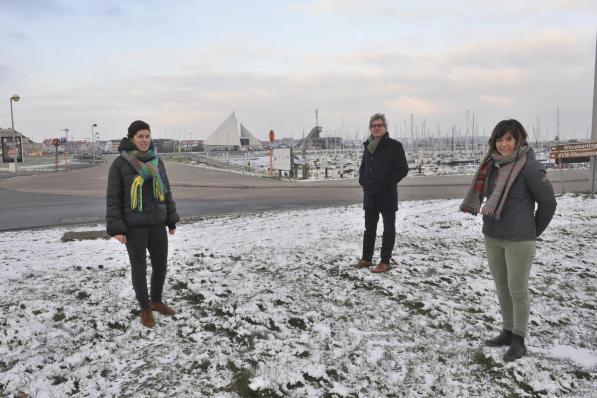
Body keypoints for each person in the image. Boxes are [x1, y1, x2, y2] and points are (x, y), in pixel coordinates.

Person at [460, 119, 556, 361]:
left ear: (519, 140)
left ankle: (519, 339)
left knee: (518, 290)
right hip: (492, 235)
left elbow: (548, 203)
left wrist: (532, 231)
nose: (504, 144)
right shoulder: (491, 166)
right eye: (500, 139)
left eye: (509, 139)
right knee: (502, 287)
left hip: (520, 240)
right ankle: (507, 330)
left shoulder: (530, 168)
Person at [106, 120, 180, 328]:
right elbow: (113, 198)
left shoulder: (157, 161)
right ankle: (145, 308)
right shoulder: (120, 164)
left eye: (147, 136)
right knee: (139, 268)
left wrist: (171, 218)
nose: (145, 140)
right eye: (140, 136)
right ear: (131, 138)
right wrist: (117, 228)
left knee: (161, 266)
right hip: (134, 226)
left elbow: (166, 191)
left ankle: (156, 301)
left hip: (157, 222)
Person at [354, 113, 409, 273]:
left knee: (388, 229)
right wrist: (362, 180)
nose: (376, 128)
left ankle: (385, 261)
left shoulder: (395, 146)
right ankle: (366, 258)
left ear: (385, 128)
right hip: (370, 195)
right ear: (370, 128)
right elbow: (363, 166)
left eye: (379, 125)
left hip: (387, 195)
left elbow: (402, 169)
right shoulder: (368, 145)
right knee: (369, 229)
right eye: (373, 126)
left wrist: (387, 183)